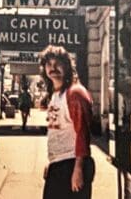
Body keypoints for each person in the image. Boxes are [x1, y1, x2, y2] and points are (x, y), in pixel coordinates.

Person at [39, 45, 95, 199]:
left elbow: (82, 132)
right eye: (49, 64)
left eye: (58, 63)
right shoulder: (55, 94)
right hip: (58, 164)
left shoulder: (75, 93)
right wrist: (51, 163)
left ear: (67, 66)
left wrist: (78, 169)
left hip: (72, 164)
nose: (53, 68)